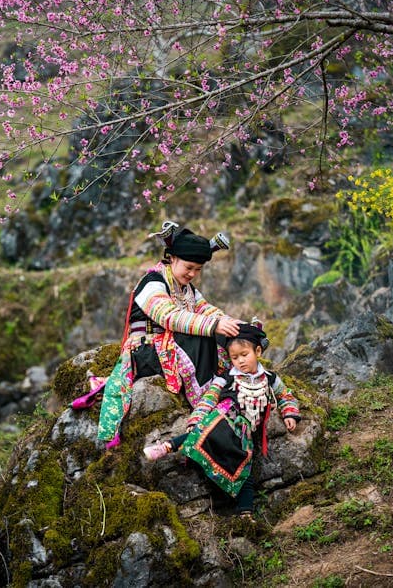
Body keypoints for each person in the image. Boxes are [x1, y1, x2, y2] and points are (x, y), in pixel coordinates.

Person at [97, 220, 242, 448]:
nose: (193, 274)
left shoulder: (187, 289)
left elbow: (208, 310)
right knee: (204, 333)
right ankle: (204, 401)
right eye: (189, 267)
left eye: (198, 269)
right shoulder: (152, 282)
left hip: (170, 347)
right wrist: (213, 325)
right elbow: (169, 317)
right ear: (172, 258)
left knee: (226, 334)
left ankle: (230, 384)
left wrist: (236, 326)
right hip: (146, 353)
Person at [143, 321, 301, 519]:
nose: (240, 361)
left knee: (244, 469)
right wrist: (197, 418)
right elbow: (209, 397)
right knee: (201, 433)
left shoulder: (270, 378)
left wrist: (289, 414)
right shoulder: (226, 377)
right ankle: (167, 446)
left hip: (246, 433)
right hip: (224, 418)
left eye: (245, 355)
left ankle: (245, 514)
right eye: (235, 357)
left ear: (258, 351)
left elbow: (285, 395)